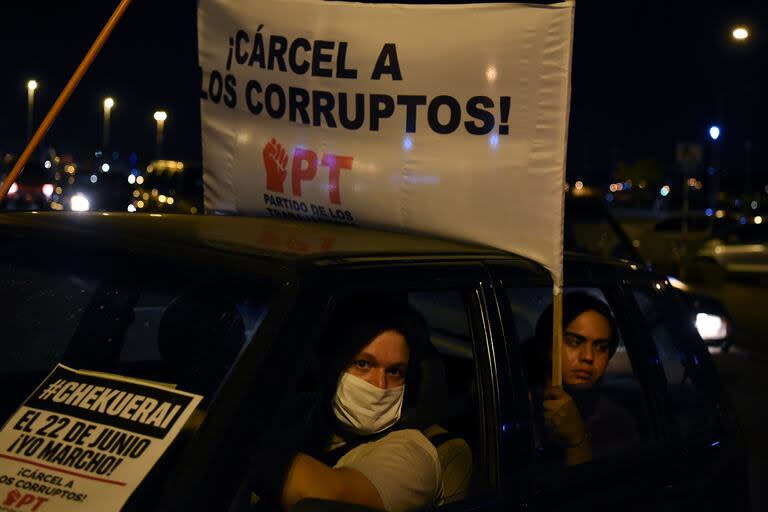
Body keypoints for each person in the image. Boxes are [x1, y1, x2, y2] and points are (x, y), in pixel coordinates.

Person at [249, 297, 443, 511]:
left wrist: (228, 437)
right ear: (330, 366)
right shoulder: (299, 415)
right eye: (363, 364)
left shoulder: (412, 454)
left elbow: (325, 500)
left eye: (394, 371)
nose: (380, 385)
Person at [523, 292, 638, 466]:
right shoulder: (515, 408)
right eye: (575, 342)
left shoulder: (614, 422)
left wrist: (577, 439)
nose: (588, 357)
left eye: (601, 347)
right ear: (547, 344)